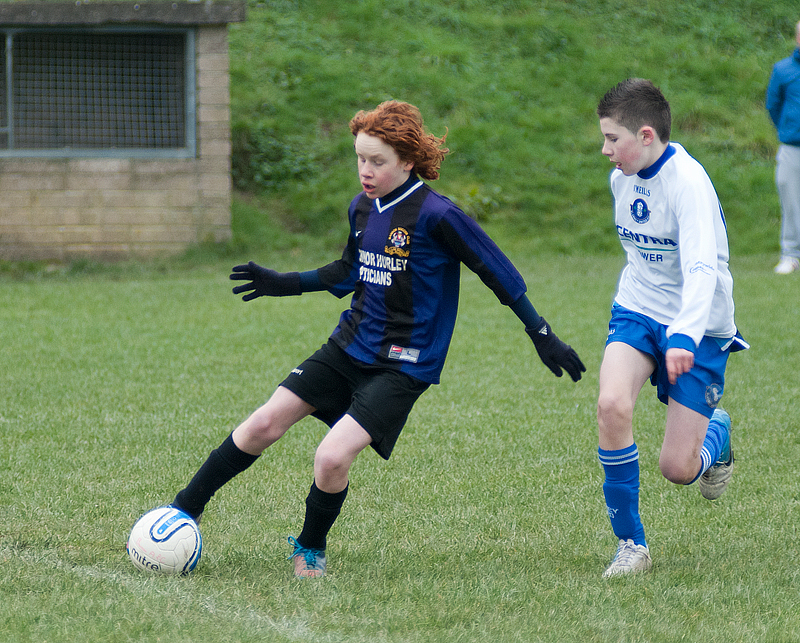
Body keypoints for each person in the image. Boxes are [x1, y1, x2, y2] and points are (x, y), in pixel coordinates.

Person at [167, 100, 586, 578]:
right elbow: (349, 272)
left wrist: (541, 333)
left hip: (404, 364)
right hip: (349, 344)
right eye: (360, 159)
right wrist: (284, 282)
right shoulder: (362, 207)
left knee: (331, 455)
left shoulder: (438, 215)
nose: (365, 171)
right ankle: (182, 511)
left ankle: (310, 547)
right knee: (263, 422)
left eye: (377, 161)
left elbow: (497, 272)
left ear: (407, 161)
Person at [595, 79, 748, 578]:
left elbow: (703, 267)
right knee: (612, 404)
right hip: (637, 308)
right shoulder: (623, 175)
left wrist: (683, 333)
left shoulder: (689, 184)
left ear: (644, 135)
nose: (605, 150)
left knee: (678, 469)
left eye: (612, 139)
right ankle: (631, 545)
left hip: (699, 326)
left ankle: (717, 433)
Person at [766, 20, 800, 275]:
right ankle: (791, 254)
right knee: (791, 201)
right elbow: (773, 106)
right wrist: (789, 129)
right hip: (792, 147)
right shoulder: (783, 70)